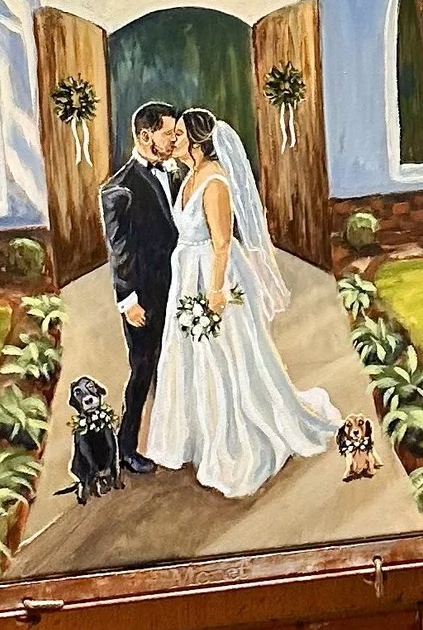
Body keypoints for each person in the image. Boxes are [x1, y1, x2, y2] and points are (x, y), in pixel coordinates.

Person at [143, 108, 344, 498]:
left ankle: (233, 442)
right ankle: (193, 439)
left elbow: (221, 242)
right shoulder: (187, 176)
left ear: (198, 141)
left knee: (224, 356)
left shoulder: (215, 181)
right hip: (187, 275)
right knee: (191, 358)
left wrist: (214, 293)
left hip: (212, 276)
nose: (174, 140)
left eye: (180, 134)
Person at [97, 100, 184, 474]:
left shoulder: (180, 174)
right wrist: (127, 299)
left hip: (182, 288)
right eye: (168, 133)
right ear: (146, 136)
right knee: (143, 368)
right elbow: (120, 253)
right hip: (145, 297)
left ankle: (179, 439)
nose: (175, 138)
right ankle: (126, 447)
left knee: (181, 364)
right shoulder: (118, 190)